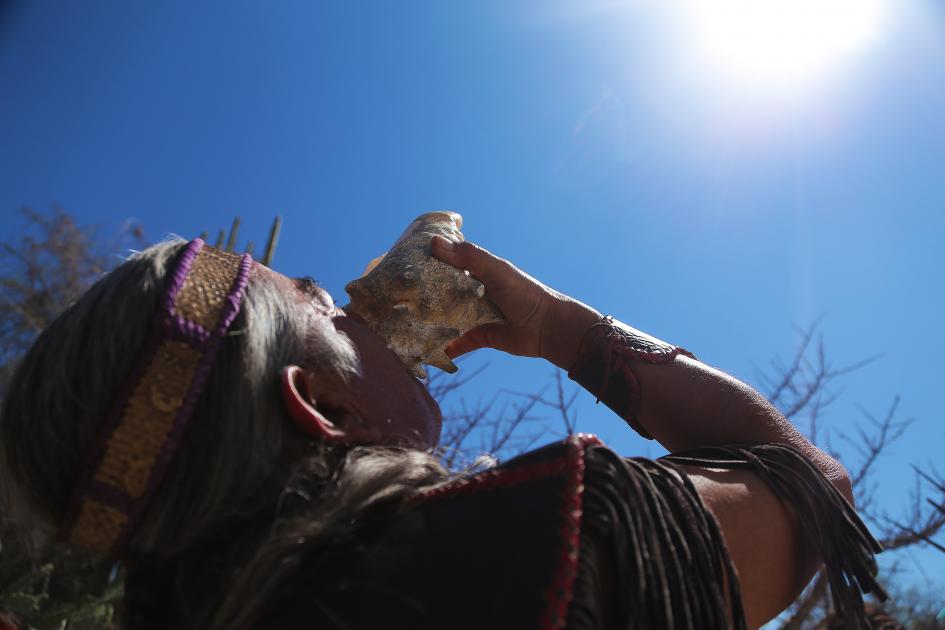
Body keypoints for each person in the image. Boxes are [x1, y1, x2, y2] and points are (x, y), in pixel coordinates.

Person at [0, 234, 884, 630]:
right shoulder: (515, 542)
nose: (358, 311)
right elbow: (813, 495)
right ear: (323, 406)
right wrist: (565, 332)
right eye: (323, 309)